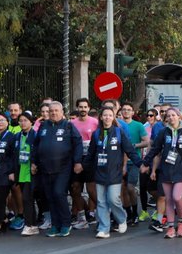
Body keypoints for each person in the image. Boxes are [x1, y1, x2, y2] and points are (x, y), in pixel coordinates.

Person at [141, 108, 182, 238]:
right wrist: (145, 163)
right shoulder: (163, 132)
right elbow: (155, 149)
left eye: (174, 115)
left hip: (181, 170)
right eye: (168, 116)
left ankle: (181, 222)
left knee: (177, 197)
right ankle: (171, 227)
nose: (171, 117)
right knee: (169, 200)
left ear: (179, 117)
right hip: (166, 169)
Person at [85, 106, 141, 238]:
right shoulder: (96, 134)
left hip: (114, 173)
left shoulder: (118, 132)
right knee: (101, 202)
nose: (107, 118)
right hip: (99, 172)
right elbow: (90, 154)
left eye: (110, 115)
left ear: (113, 117)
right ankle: (104, 228)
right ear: (101, 117)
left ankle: (122, 219)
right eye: (105, 115)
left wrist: (140, 164)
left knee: (113, 199)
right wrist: (83, 166)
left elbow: (130, 150)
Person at [31, 101, 84, 238]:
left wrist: (77, 161)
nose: (53, 113)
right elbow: (36, 146)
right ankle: (55, 225)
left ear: (62, 112)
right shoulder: (43, 126)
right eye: (51, 111)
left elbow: (78, 143)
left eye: (56, 111)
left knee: (58, 193)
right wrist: (34, 162)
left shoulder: (68, 126)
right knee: (49, 196)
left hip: (63, 168)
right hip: (45, 168)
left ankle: (66, 224)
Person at [70, 97, 99, 229]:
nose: (83, 109)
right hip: (77, 159)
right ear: (77, 108)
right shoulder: (72, 123)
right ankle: (82, 217)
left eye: (85, 107)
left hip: (91, 159)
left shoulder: (95, 122)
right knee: (75, 188)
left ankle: (105, 214)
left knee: (91, 190)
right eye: (80, 107)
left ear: (89, 108)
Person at [14, 111, 40, 236]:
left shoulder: (35, 135)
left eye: (25, 120)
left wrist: (35, 164)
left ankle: (29, 224)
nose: (23, 123)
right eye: (21, 120)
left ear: (31, 122)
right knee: (27, 199)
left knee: (27, 199)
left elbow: (39, 152)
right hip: (21, 172)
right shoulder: (17, 136)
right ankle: (32, 224)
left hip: (32, 172)